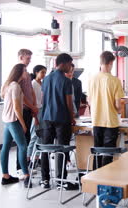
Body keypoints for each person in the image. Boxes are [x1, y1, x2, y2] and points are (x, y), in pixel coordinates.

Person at [39, 53, 77, 190]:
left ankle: (45, 180)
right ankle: (61, 181)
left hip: (47, 118)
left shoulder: (46, 79)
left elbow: (42, 100)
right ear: (64, 63)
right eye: (70, 64)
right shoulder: (66, 81)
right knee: (61, 149)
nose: (70, 67)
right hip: (62, 119)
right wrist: (72, 117)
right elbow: (68, 103)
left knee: (46, 149)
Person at [88, 51, 124, 168]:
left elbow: (89, 101)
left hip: (96, 120)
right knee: (108, 152)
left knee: (97, 151)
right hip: (110, 121)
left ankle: (95, 177)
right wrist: (118, 110)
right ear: (110, 63)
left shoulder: (91, 79)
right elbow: (118, 105)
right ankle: (105, 178)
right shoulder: (115, 80)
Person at [0, 63, 31, 187]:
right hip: (13, 120)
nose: (27, 73)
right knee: (23, 146)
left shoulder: (8, 85)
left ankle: (5, 176)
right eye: (25, 71)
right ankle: (26, 175)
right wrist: (23, 124)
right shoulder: (16, 86)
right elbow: (17, 108)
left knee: (6, 146)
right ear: (19, 72)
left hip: (6, 120)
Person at [16, 49, 38, 173]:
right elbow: (21, 96)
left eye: (30, 58)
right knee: (22, 140)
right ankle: (20, 168)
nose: (29, 61)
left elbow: (31, 91)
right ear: (20, 57)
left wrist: (34, 106)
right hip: (23, 110)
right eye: (27, 58)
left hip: (29, 110)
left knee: (27, 138)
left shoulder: (27, 74)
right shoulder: (18, 74)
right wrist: (31, 106)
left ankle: (25, 165)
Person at [27, 65, 47, 164]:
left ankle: (36, 158)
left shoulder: (42, 84)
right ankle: (28, 157)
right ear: (36, 72)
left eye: (45, 72)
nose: (44, 74)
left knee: (41, 135)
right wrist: (35, 116)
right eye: (42, 72)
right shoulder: (33, 84)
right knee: (34, 135)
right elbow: (32, 101)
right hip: (36, 111)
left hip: (43, 110)